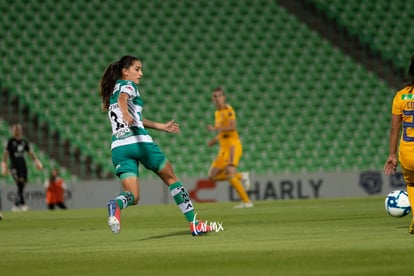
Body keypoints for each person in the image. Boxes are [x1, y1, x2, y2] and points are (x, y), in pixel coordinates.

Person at [99, 55, 211, 236]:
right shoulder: (127, 86)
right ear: (124, 71)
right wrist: (126, 113)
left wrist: (161, 126)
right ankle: (195, 224)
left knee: (133, 196)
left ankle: (116, 205)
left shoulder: (111, 91)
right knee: (172, 179)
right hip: (140, 143)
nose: (141, 73)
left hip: (119, 147)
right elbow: (123, 98)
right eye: (137, 69)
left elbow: (135, 116)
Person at [207, 87, 253, 208]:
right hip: (223, 149)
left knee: (229, 172)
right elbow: (223, 132)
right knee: (212, 176)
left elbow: (232, 127)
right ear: (213, 99)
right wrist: (214, 140)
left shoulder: (228, 110)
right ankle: (242, 176)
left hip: (233, 145)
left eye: (220, 95)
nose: (217, 98)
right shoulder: (217, 113)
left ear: (224, 97)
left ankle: (247, 202)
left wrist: (215, 129)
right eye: (215, 96)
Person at [384, 54, 414, 234]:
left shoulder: (401, 97)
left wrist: (392, 155)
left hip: (408, 152)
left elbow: (395, 128)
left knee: (412, 184)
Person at [1, 123, 43, 212]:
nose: (17, 131)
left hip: (23, 166)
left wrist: (36, 161)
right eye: (15, 129)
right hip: (14, 166)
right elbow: (6, 154)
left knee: (22, 185)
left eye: (18, 129)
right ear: (12, 131)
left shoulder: (24, 142)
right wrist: (4, 165)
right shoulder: (10, 141)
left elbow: (30, 152)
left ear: (21, 131)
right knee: (20, 182)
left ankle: (17, 205)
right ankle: (21, 204)